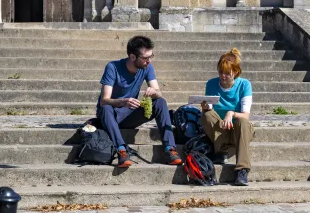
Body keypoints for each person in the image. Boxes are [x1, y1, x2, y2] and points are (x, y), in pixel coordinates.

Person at [97, 36, 183, 168]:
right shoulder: (112, 67)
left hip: (129, 115)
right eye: (145, 58)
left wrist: (154, 92)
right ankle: (121, 150)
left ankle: (170, 149)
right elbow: (104, 100)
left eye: (151, 56)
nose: (149, 61)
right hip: (111, 114)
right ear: (132, 57)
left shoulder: (147, 67)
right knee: (106, 107)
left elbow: (159, 93)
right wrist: (123, 101)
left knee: (160, 102)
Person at [200, 48, 254, 186]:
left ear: (235, 72)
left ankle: (242, 170)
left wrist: (231, 113)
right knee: (206, 114)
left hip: (238, 129)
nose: (223, 76)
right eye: (220, 73)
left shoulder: (244, 85)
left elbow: (246, 115)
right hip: (220, 129)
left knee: (242, 121)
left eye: (227, 73)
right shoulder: (211, 84)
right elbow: (211, 110)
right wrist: (206, 107)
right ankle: (221, 150)